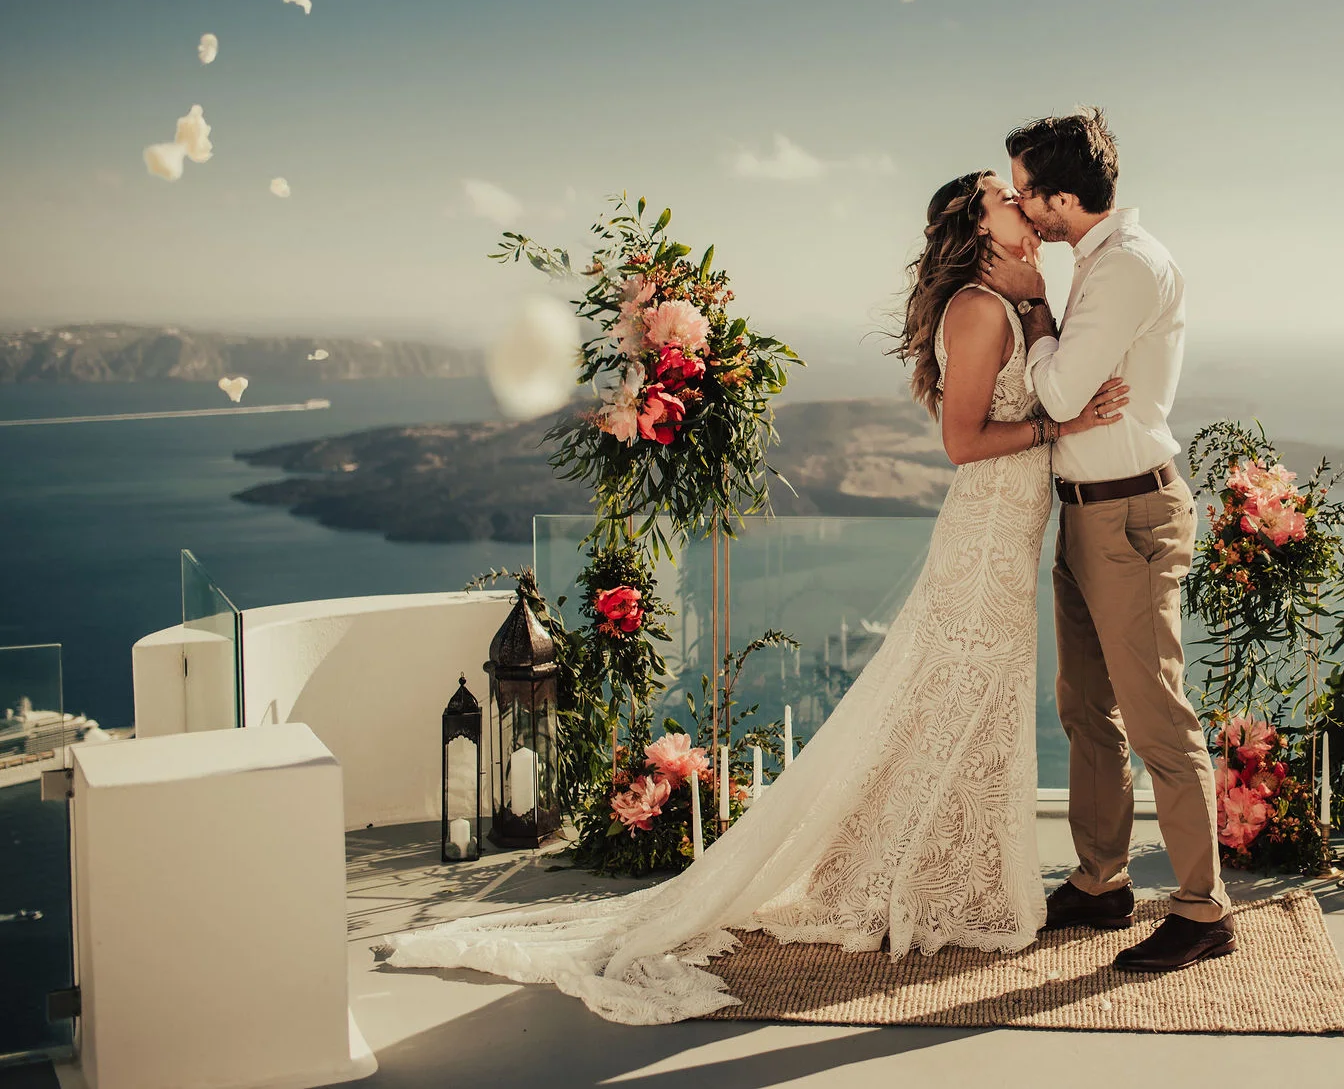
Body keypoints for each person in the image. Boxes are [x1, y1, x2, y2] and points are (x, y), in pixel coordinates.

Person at [380, 170, 1129, 1024]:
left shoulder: (1007, 299)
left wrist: (1042, 314)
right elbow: (965, 441)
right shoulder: (977, 307)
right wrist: (1059, 425)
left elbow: (1050, 374)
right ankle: (907, 879)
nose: (1024, 206)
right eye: (1006, 198)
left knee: (963, 701)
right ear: (978, 226)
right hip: (986, 536)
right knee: (955, 694)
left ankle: (933, 873)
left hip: (1007, 534)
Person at [978, 107, 1235, 973]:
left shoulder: (1124, 268)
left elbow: (1057, 393)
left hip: (1128, 514)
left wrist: (1035, 306)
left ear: (1061, 197)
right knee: (1087, 707)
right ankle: (1101, 882)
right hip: (1085, 508)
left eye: (1027, 194)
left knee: (1158, 714)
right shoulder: (1099, 258)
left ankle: (1203, 909)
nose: (1022, 209)